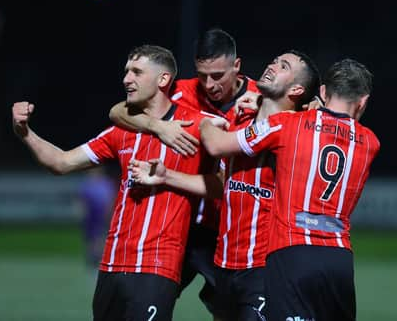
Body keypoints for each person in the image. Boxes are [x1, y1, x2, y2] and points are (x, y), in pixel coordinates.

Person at [12, 45, 212, 321]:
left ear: (163, 80)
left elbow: (222, 184)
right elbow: (60, 162)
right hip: (111, 266)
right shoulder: (122, 131)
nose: (126, 79)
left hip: (157, 266)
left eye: (137, 72)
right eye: (126, 71)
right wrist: (24, 133)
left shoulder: (198, 125)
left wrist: (170, 177)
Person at [129, 50, 321, 320]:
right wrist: (166, 176)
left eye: (284, 65)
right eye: (274, 60)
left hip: (264, 267)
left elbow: (216, 145)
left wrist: (204, 121)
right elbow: (221, 184)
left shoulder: (296, 126)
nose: (272, 65)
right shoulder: (239, 121)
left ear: (298, 88)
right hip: (225, 263)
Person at [198, 58, 380, 321]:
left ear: (323, 92)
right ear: (362, 101)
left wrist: (206, 123)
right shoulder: (371, 142)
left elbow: (216, 145)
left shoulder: (288, 125)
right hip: (339, 257)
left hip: (292, 253)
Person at [109, 28, 259, 319]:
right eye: (203, 75)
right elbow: (118, 112)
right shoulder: (183, 91)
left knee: (231, 312)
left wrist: (313, 106)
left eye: (218, 75)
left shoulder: (261, 98)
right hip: (183, 228)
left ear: (237, 66)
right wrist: (158, 126)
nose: (209, 84)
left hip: (230, 231)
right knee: (143, 305)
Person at [78, 165, 117, 270]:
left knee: (100, 236)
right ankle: (92, 257)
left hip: (101, 213)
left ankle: (99, 257)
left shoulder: (106, 183)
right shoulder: (87, 183)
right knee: (91, 237)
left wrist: (108, 212)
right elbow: (82, 200)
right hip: (91, 214)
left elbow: (110, 198)